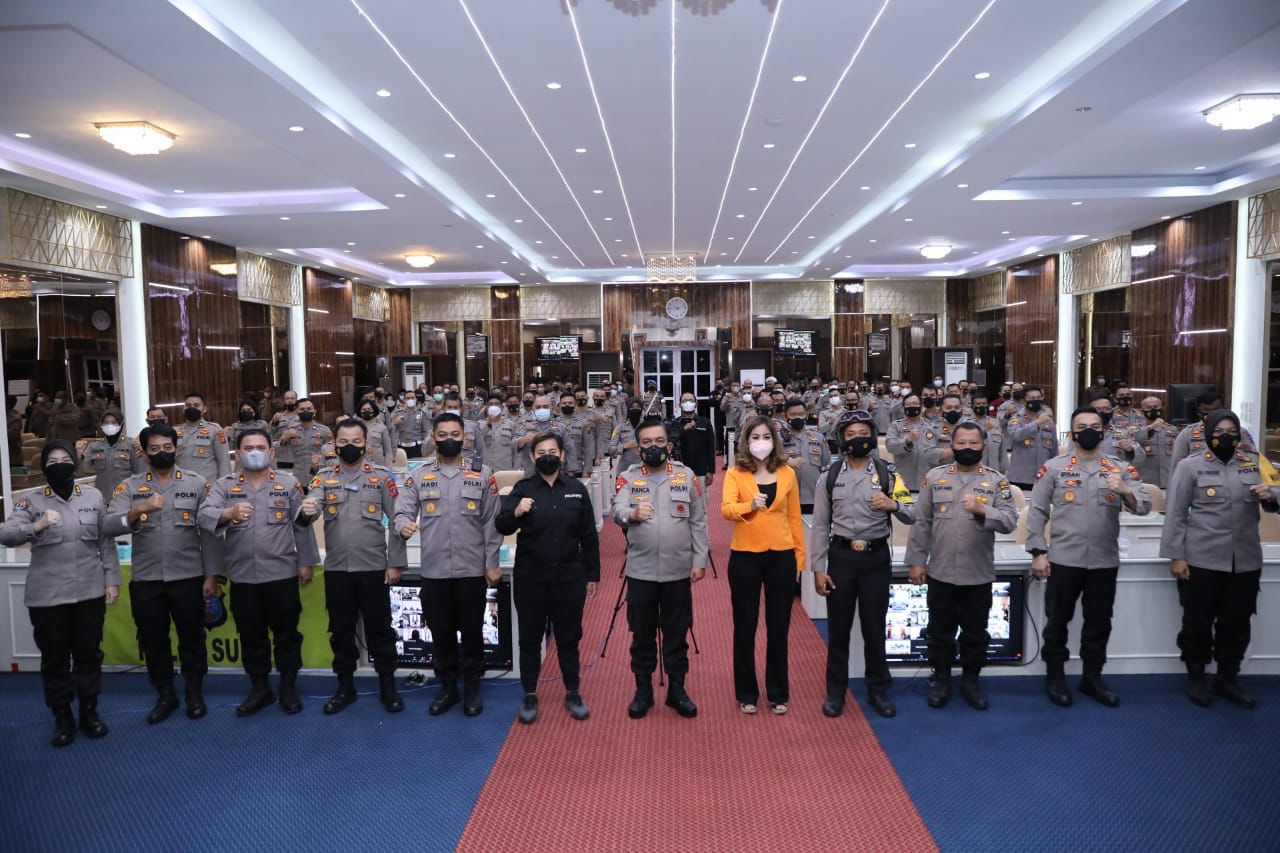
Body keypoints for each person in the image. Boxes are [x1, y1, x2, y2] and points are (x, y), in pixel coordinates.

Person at [1027, 407, 1152, 708]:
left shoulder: (1119, 468)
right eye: (1081, 426)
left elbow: (1144, 506)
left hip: (1103, 560)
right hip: (1063, 559)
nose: (1088, 431)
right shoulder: (1054, 468)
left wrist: (1126, 490)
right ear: (1072, 433)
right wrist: (1038, 552)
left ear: (1104, 430)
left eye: (1094, 426)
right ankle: (1055, 676)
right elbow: (1037, 512)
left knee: (1099, 623)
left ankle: (1092, 677)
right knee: (1058, 621)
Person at [0, 442, 121, 747]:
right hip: (48, 596)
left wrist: (112, 580)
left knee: (88, 656)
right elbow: (6, 535)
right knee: (55, 660)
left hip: (89, 591)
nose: (59, 465)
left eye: (65, 459)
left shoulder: (93, 496)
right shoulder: (31, 501)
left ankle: (89, 712)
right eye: (52, 461)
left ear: (75, 463)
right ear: (43, 466)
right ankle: (62, 716)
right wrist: (37, 525)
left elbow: (105, 542)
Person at [1161, 409, 1279, 708]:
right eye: (1219, 432)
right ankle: (1196, 677)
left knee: (1237, 622)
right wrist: (1175, 556)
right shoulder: (1190, 466)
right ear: (1207, 434)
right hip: (1202, 559)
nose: (1225, 437)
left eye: (1231, 432)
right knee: (1197, 622)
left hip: (1245, 560)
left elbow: (1276, 492)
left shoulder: (1254, 462)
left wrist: (1272, 496)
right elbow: (1175, 514)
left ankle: (1228, 678)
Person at [199, 429, 321, 716]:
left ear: (271, 452)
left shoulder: (288, 483)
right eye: (248, 448)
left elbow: (302, 524)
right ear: (238, 455)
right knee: (251, 635)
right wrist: (228, 514)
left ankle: (288, 687)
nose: (254, 452)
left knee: (287, 635)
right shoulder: (224, 486)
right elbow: (203, 515)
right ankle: (260, 688)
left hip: (281, 573)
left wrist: (306, 562)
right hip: (243, 577)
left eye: (260, 447)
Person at [103, 424, 217, 723]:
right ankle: (165, 694)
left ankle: (194, 692)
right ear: (144, 452)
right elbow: (109, 525)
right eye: (154, 448)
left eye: (167, 447)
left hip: (188, 575)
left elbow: (208, 533)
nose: (162, 452)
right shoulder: (130, 487)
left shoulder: (196, 483)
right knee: (153, 640)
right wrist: (138, 509)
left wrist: (212, 574)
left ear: (177, 448)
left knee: (192, 638)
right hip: (147, 578)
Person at [394, 413, 502, 716]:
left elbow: (492, 523)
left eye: (455, 434)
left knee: (472, 631)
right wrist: (402, 525)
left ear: (464, 437)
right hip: (435, 569)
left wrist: (491, 562)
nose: (449, 439)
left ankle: (472, 687)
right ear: (433, 438)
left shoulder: (483, 474)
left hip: (472, 569)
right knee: (441, 633)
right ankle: (448, 688)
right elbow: (402, 511)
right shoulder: (419, 475)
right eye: (442, 435)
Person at [905, 423, 1018, 710]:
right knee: (939, 631)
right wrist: (916, 561)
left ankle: (971, 680)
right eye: (962, 443)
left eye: (974, 443)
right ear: (952, 446)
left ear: (983, 447)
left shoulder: (996, 481)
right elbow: (922, 523)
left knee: (975, 633)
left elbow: (1009, 522)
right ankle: (941, 679)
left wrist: (983, 510)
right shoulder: (935, 477)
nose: (968, 448)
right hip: (940, 571)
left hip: (977, 573)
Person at [810, 411, 915, 719]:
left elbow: (912, 512)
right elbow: (820, 526)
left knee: (874, 628)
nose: (858, 439)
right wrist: (818, 568)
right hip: (841, 559)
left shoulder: (888, 474)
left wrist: (893, 504)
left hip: (875, 559)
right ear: (842, 440)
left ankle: (878, 689)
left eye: (864, 433)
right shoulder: (829, 476)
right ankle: (835, 692)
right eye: (851, 434)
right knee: (838, 629)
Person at [495, 432, 600, 724]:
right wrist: (517, 512)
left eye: (552, 451)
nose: (547, 457)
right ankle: (530, 693)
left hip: (569, 577)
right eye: (540, 453)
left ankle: (573, 691)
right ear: (532, 457)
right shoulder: (522, 489)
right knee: (530, 638)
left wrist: (593, 574)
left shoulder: (576, 489)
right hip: (532, 578)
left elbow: (588, 535)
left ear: (562, 455)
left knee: (569, 637)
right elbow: (501, 525)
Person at [308, 419, 407, 715]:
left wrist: (396, 563)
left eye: (355, 441)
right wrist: (307, 510)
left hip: (374, 567)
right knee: (340, 631)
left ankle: (388, 686)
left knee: (380, 630)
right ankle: (345, 687)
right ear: (334, 445)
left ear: (366, 445)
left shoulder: (381, 477)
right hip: (337, 569)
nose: (349, 446)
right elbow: (310, 509)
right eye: (343, 442)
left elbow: (398, 519)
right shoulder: (324, 478)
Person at [612, 419, 708, 719]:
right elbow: (617, 510)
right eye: (646, 443)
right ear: (638, 448)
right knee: (641, 636)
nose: (653, 447)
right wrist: (632, 513)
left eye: (659, 441)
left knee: (676, 634)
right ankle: (643, 690)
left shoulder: (685, 475)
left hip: (678, 571)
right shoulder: (628, 477)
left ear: (669, 444)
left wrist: (700, 560)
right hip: (640, 572)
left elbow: (698, 521)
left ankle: (677, 690)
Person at [721, 416, 806, 715]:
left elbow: (794, 517)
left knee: (779, 627)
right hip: (745, 556)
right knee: (745, 627)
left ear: (774, 441)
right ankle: (747, 692)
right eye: (755, 437)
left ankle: (778, 692)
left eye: (766, 437)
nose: (761, 442)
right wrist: (750, 506)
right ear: (746, 441)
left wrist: (799, 559)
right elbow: (726, 509)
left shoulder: (786, 473)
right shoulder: (735, 473)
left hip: (781, 556)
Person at [1169, 390, 1258, 467]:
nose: (1213, 414)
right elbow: (1177, 466)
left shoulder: (1240, 432)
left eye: (1216, 410)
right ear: (1199, 412)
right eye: (1207, 410)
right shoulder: (1187, 434)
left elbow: (1254, 461)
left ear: (1225, 408)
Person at [78, 408, 145, 499]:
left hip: (126, 496)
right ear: (101, 425)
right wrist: (79, 455)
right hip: (103, 497)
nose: (109, 425)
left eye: (114, 422)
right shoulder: (94, 446)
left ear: (121, 425)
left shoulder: (131, 445)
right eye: (106, 422)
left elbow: (140, 473)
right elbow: (84, 469)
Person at [1005, 386, 1057, 490]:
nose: (1035, 401)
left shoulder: (1048, 421)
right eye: (1032, 398)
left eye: (1038, 398)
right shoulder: (1016, 419)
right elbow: (1016, 435)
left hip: (1043, 476)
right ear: (1024, 401)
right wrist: (1036, 423)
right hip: (1020, 478)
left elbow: (1054, 449)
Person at [783, 398, 828, 514]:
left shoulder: (818, 437)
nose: (797, 418)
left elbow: (825, 465)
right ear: (785, 416)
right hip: (787, 496)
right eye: (793, 415)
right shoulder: (778, 438)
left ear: (806, 415)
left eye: (801, 414)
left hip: (814, 496)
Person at [175, 391, 231, 482]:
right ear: (183, 408)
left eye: (196, 405)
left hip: (208, 487)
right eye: (188, 405)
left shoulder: (215, 430)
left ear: (204, 409)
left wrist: (225, 486)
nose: (191, 408)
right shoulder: (175, 432)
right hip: (181, 486)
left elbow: (224, 463)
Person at [669, 392, 716, 489]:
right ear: (680, 404)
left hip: (701, 471)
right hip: (680, 470)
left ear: (696, 403)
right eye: (684, 401)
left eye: (691, 400)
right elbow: (670, 442)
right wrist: (684, 429)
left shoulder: (705, 422)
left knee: (700, 498)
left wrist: (710, 471)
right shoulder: (675, 424)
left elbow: (711, 448)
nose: (688, 403)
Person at [279, 397, 332, 478]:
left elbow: (332, 455)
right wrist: (284, 438)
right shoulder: (291, 431)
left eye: (309, 409)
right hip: (299, 476)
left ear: (314, 412)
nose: (305, 411)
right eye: (302, 409)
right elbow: (279, 451)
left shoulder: (325, 431)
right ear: (297, 412)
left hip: (319, 475)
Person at [1135, 395, 1180, 488]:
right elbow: (1134, 440)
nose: (1153, 410)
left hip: (1168, 481)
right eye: (1148, 407)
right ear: (1142, 411)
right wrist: (1151, 427)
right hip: (1146, 483)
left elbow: (1179, 453)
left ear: (1161, 408)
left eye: (1156, 407)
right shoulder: (1135, 430)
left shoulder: (1172, 429)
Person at [886, 395, 930, 491]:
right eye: (908, 404)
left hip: (927, 482)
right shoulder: (895, 426)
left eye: (915, 404)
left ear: (922, 407)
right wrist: (907, 440)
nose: (912, 406)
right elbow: (890, 446)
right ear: (903, 408)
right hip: (903, 482)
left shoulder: (931, 426)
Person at [557, 391, 595, 478]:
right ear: (560, 405)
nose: (567, 405)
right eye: (564, 403)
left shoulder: (584, 423)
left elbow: (588, 448)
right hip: (557, 468)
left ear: (575, 404)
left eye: (570, 403)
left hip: (577, 468)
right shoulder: (553, 424)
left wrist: (587, 470)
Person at [355, 398, 396, 466]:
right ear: (359, 411)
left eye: (369, 409)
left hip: (378, 466)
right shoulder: (355, 427)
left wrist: (387, 468)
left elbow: (388, 451)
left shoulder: (382, 428)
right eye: (364, 409)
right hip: (360, 466)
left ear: (374, 411)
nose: (366, 411)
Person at [269, 390, 301, 469]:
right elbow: (270, 435)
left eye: (292, 398)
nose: (290, 400)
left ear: (296, 400)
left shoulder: (302, 416)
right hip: (281, 457)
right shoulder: (278, 416)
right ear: (284, 400)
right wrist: (274, 423)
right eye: (287, 398)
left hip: (299, 456)